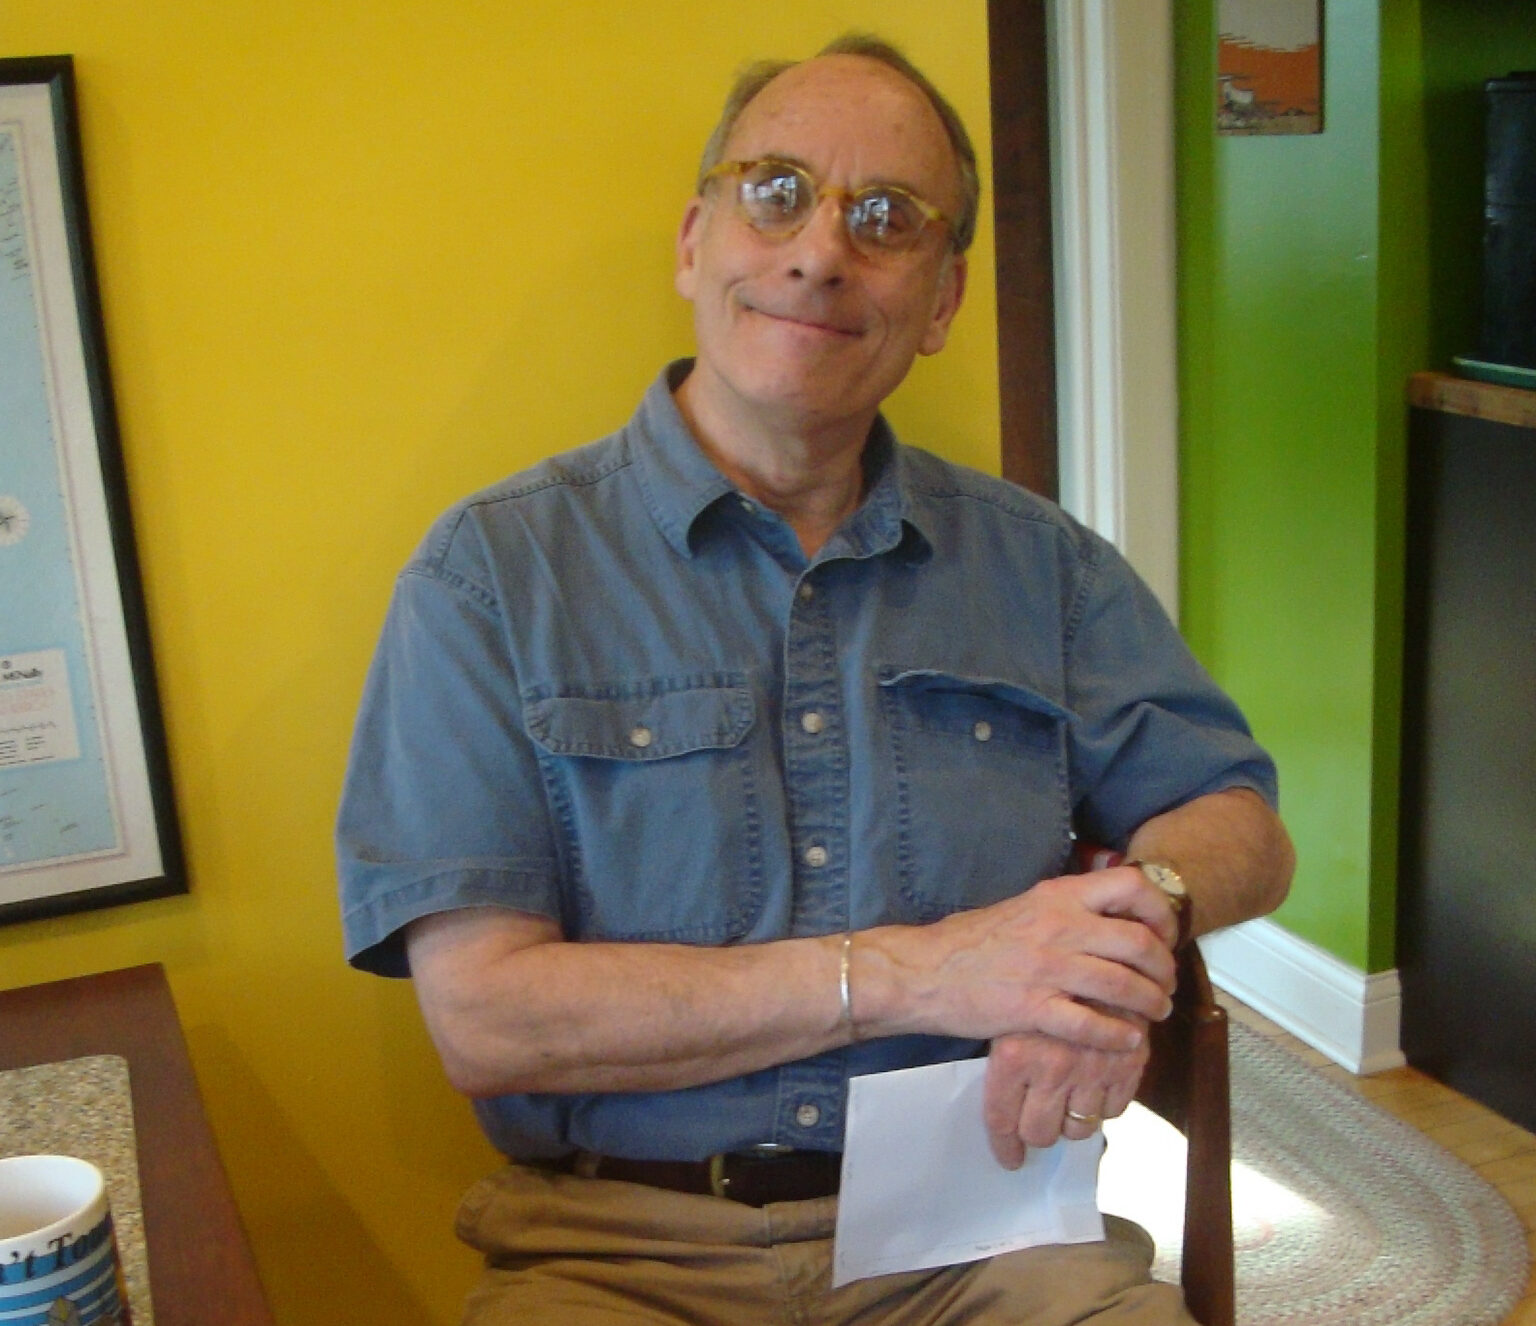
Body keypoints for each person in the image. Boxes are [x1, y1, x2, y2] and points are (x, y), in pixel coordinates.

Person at [337, 32, 1294, 1326]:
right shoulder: (491, 575)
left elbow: (1242, 824)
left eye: (887, 218)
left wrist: (1120, 937)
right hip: (616, 1248)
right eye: (777, 192)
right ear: (696, 241)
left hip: (986, 1227)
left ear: (943, 301)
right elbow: (487, 1021)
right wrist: (928, 971)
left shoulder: (1044, 567)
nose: (822, 251)